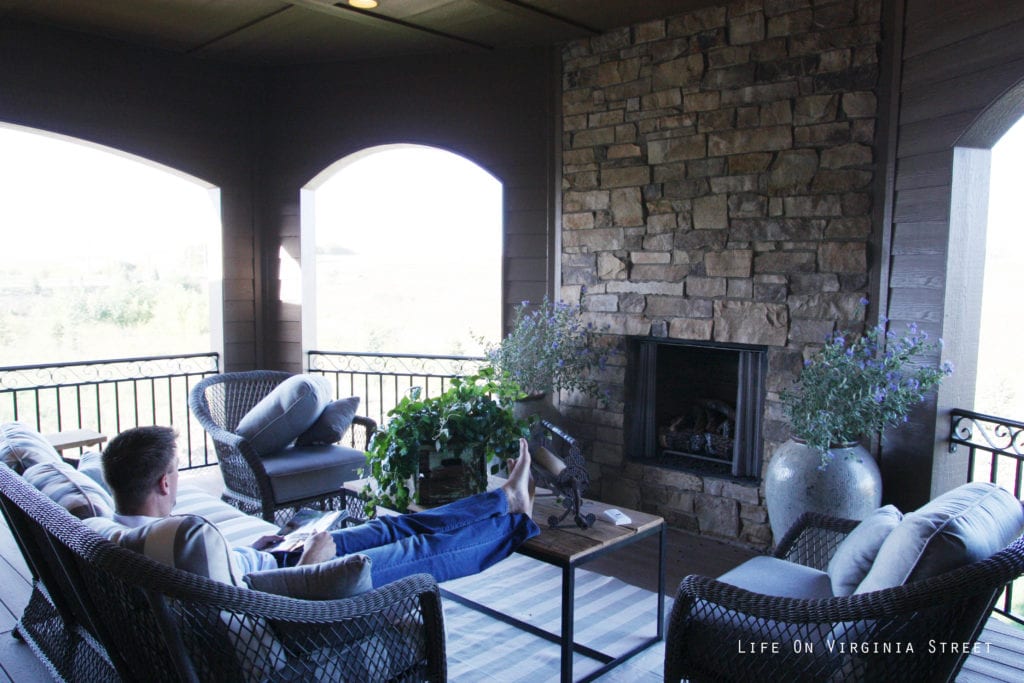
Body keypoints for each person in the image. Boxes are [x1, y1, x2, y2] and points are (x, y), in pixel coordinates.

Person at [101, 425, 540, 587]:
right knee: (420, 553)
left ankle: (503, 498)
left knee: (394, 528)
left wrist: (260, 546)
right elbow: (252, 602)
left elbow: (221, 570)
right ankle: (514, 522)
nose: (178, 479)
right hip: (299, 584)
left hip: (272, 559)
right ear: (163, 482)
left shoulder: (122, 533)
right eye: (176, 472)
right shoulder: (177, 536)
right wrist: (313, 562)